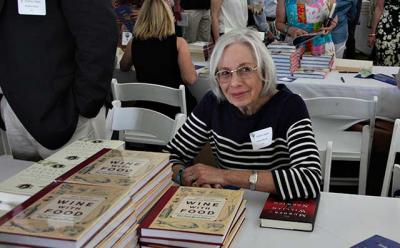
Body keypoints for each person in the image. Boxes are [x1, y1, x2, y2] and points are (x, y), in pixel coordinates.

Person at [166, 29, 322, 200]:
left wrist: (224, 176)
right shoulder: (213, 104)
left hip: (271, 209)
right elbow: (169, 156)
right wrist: (187, 178)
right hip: (226, 208)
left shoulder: (289, 107)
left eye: (245, 69)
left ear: (263, 70)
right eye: (225, 73)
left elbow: (310, 179)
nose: (235, 83)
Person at [0, 0, 117, 161]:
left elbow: (99, 35)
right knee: (22, 184)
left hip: (67, 114)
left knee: (82, 183)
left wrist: (85, 106)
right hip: (12, 111)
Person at [120, 0, 198, 117]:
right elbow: (190, 79)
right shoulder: (178, 43)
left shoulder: (134, 43)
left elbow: (123, 67)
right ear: (167, 16)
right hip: (176, 112)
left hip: (146, 110)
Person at [368, 0, 400, 66]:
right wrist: (372, 33)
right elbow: (379, 8)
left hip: (388, 29)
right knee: (386, 62)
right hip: (387, 31)